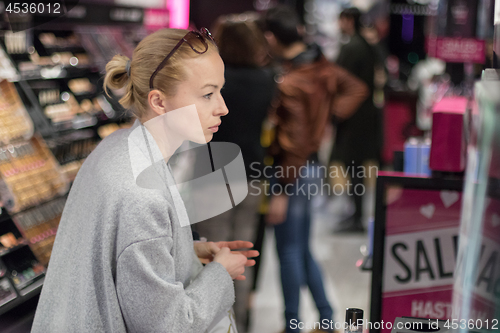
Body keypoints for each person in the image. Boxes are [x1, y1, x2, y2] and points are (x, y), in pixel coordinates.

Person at [31, 28, 259, 333]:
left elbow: (120, 256)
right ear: (159, 102)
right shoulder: (143, 196)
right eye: (207, 94)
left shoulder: (116, 146)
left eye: (219, 91)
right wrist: (220, 272)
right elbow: (168, 325)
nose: (222, 107)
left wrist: (184, 251)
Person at [261, 6, 368, 333]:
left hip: (292, 172)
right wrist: (327, 119)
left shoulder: (292, 81)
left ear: (271, 37)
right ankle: (325, 319)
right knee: (299, 248)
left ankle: (292, 325)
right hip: (309, 168)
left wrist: (279, 190)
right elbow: (358, 89)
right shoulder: (320, 66)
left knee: (289, 252)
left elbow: (292, 145)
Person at [194, 13, 276, 333]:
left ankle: (216, 325)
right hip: (253, 174)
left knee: (214, 256)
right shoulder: (266, 79)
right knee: (242, 258)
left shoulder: (214, 84)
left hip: (213, 174)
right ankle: (240, 324)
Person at [330, 7, 382, 233]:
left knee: (354, 166)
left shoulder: (353, 47)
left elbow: (342, 82)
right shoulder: (365, 45)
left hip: (354, 118)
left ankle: (357, 216)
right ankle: (356, 212)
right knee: (356, 166)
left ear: (348, 20)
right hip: (363, 116)